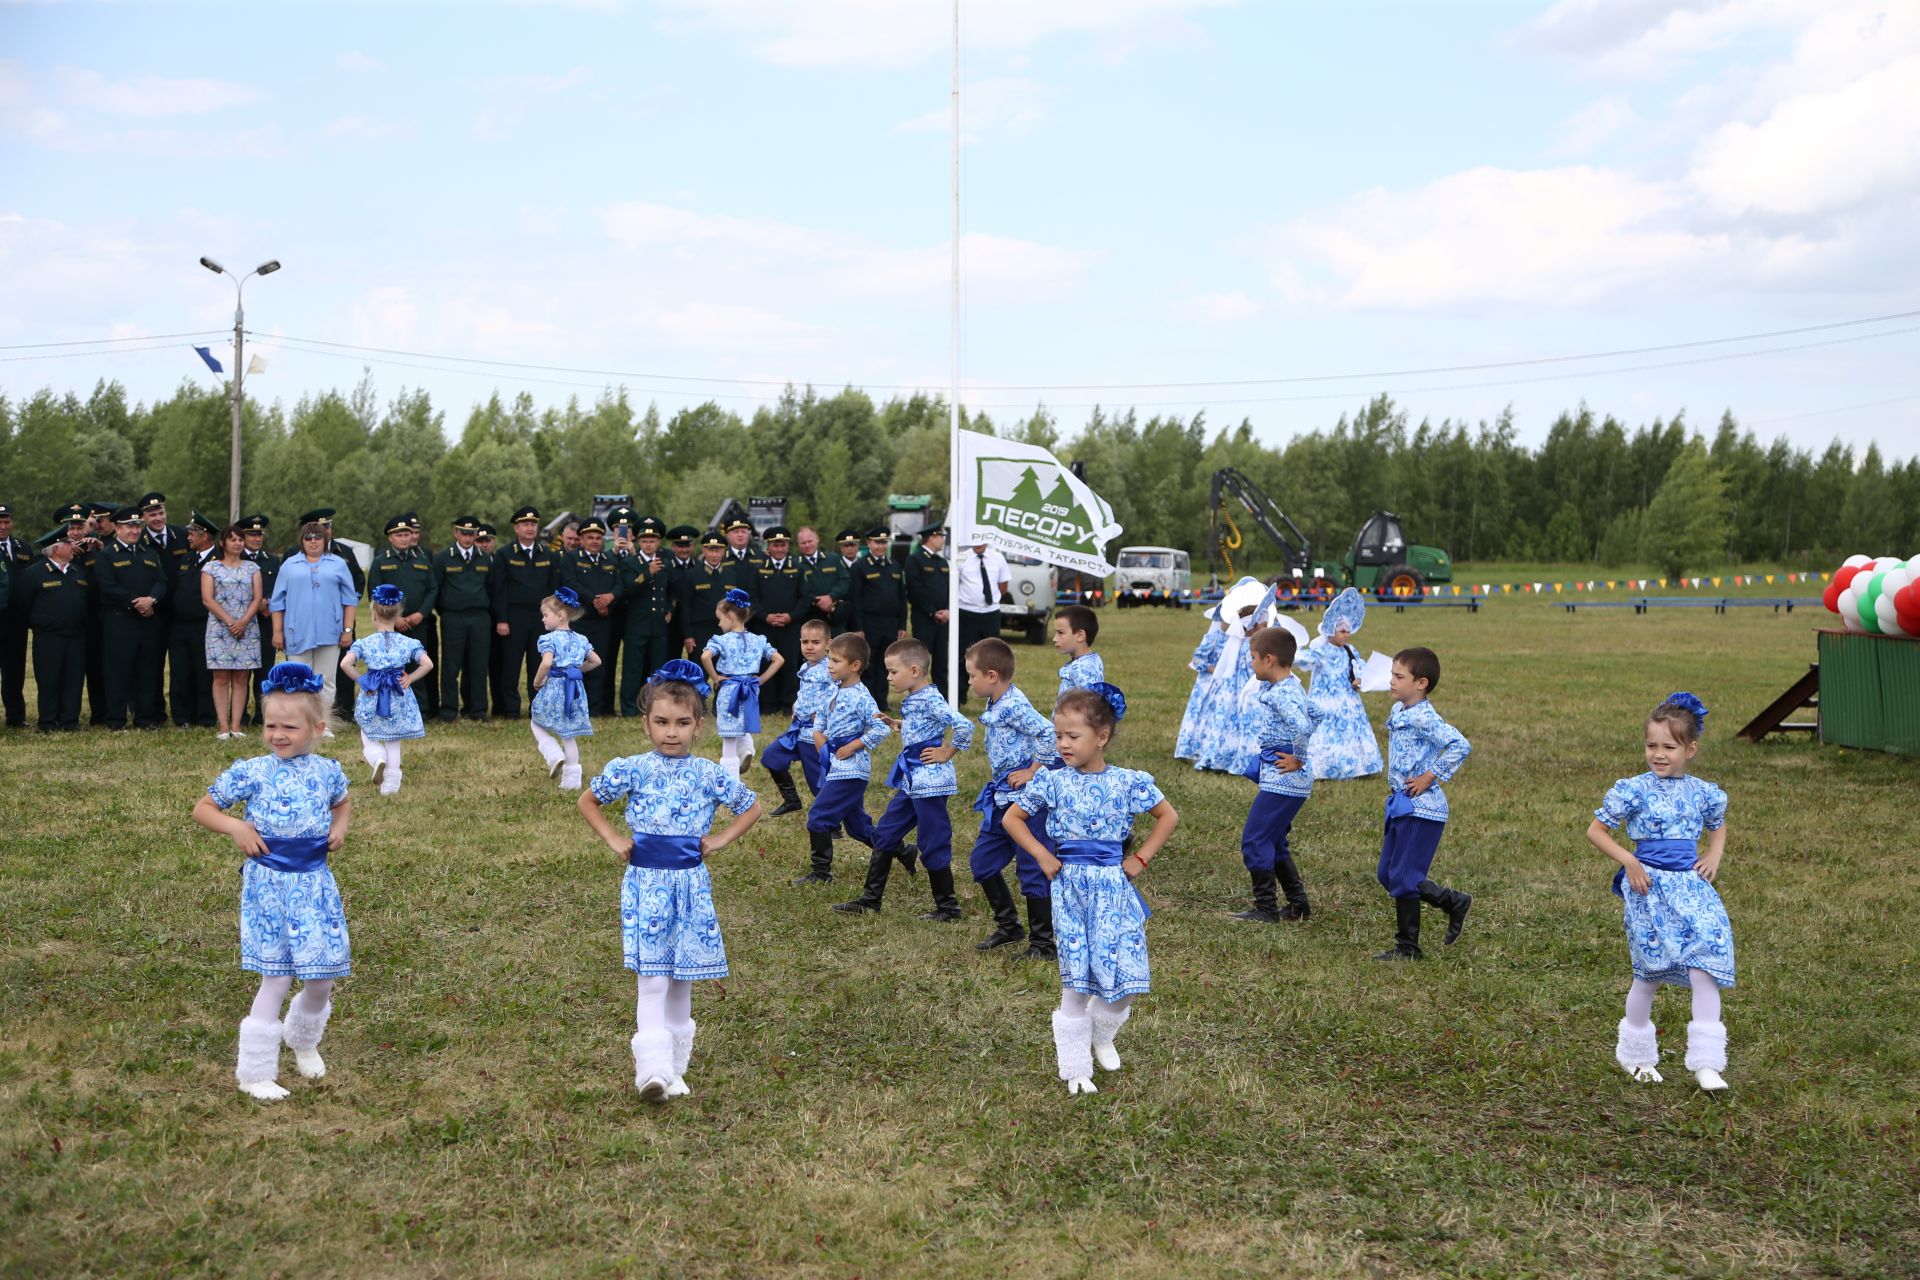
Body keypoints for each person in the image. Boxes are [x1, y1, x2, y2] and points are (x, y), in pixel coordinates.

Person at [575, 661, 762, 1102]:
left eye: (682, 723)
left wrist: (718, 840)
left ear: (699, 726)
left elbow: (751, 808)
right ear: (646, 725)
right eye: (661, 722)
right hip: (647, 887)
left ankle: (675, 1071)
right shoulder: (632, 768)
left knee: (683, 978)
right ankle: (651, 1070)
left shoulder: (710, 774)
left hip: (691, 887)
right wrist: (614, 838)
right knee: (653, 978)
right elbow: (589, 801)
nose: (671, 732)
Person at [1003, 684, 1179, 1095]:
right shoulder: (1052, 782)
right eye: (1058, 735)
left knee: (1127, 979)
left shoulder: (1128, 781)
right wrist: (1043, 857)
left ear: (1101, 737)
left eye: (1073, 736)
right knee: (1076, 980)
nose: (1063, 744)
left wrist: (1140, 858)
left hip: (1114, 888)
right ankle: (1075, 1066)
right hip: (1071, 890)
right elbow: (1013, 818)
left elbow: (1166, 816)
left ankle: (1102, 1033)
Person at [191, 662, 353, 1101]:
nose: (278, 734)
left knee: (321, 978)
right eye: (270, 725)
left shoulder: (327, 771)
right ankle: (255, 1071)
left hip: (314, 887)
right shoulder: (253, 771)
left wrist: (340, 827)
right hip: (269, 889)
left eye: (290, 727)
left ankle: (303, 1040)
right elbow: (203, 809)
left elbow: (342, 803)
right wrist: (237, 828)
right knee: (277, 978)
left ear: (317, 728)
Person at [1586, 693, 1734, 1092]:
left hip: (1690, 886)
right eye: (1652, 745)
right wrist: (1630, 862)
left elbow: (1716, 823)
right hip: (1648, 887)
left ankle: (1707, 1063)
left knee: (1706, 967)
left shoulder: (1703, 792)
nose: (1659, 754)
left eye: (1669, 747)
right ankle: (1635, 1054)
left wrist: (1714, 853)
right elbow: (1596, 831)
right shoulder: (1632, 790)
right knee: (1648, 974)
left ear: (1690, 749)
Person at [833, 637, 974, 920]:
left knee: (933, 840)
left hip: (930, 784)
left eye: (893, 671)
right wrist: (898, 724)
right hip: (912, 781)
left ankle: (948, 907)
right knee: (885, 832)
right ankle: (871, 899)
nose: (888, 677)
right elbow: (924, 725)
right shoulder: (917, 698)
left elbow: (964, 725)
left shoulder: (931, 698)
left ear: (914, 671)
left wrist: (947, 752)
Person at [963, 636, 1061, 958]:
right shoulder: (996, 702)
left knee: (1033, 866)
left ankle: (1043, 944)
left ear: (991, 676)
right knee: (982, 861)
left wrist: (1033, 769)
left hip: (1027, 798)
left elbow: (1048, 733)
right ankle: (1009, 926)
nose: (969, 681)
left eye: (971, 675)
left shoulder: (1015, 705)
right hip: (1001, 796)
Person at [1375, 646, 1473, 961]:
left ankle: (1408, 948)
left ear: (1421, 683)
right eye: (1392, 674)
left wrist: (1430, 776)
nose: (1391, 681)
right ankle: (1452, 902)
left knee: (1404, 877)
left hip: (1423, 808)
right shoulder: (1399, 711)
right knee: (1387, 874)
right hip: (1401, 804)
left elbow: (1460, 745)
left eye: (1398, 676)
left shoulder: (1425, 717)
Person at [1236, 626, 1316, 923]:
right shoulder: (1292, 685)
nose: (1251, 663)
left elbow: (1304, 725)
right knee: (1273, 839)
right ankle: (1298, 905)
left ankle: (1266, 908)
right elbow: (1316, 712)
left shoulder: (1282, 694)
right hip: (1287, 779)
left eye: (1253, 658)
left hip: (1285, 779)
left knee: (1255, 839)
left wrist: (1298, 758)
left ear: (1268, 659)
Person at [797, 632, 890, 885]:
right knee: (858, 827)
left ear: (855, 665)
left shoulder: (861, 696)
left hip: (852, 770)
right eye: (829, 659)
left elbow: (881, 727)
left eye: (836, 661)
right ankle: (900, 850)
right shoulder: (833, 691)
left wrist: (853, 746)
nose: (829, 665)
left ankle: (821, 873)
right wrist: (818, 736)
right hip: (835, 765)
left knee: (818, 817)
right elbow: (821, 720)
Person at [340, 584, 432, 797]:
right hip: (398, 694)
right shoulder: (409, 642)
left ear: (373, 614)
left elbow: (346, 664)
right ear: (398, 613)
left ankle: (376, 755)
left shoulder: (364, 643)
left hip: (374, 693)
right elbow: (427, 664)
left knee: (368, 732)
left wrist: (362, 681)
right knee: (394, 740)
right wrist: (410, 677)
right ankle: (391, 785)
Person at [269, 521, 359, 721]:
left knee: (326, 679)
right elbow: (277, 602)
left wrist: (347, 629)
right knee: (298, 678)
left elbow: (350, 599)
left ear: (325, 539)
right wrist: (277, 632)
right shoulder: (289, 565)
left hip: (331, 631)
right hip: (296, 631)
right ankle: (301, 721)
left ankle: (322, 722)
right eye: (308, 537)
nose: (313, 541)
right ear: (301, 541)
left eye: (317, 537)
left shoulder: (338, 564)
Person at [93, 505, 171, 729]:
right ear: (117, 528)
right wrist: (136, 603)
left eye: (137, 526)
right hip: (120, 621)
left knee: (147, 671)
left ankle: (144, 718)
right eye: (129, 526)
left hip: (147, 621)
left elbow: (162, 581)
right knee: (118, 671)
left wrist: (152, 600)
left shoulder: (149, 553)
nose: (135, 531)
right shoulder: (107, 555)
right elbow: (108, 587)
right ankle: (116, 719)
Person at [1294, 587, 1384, 780]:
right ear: (1330, 630)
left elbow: (1359, 666)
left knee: (1350, 732)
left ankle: (1354, 766)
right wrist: (1286, 652)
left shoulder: (1350, 650)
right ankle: (1321, 767)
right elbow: (1303, 657)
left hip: (1348, 702)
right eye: (1342, 631)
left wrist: (1360, 679)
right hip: (1324, 701)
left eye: (1348, 632)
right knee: (1324, 734)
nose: (1346, 635)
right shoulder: (1322, 650)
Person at [701, 588, 782, 783]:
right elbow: (778, 659)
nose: (719, 623)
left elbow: (705, 656)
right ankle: (746, 748)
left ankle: (731, 782)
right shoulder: (758, 640)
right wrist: (761, 679)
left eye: (720, 618)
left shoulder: (721, 640)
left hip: (730, 690)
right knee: (744, 723)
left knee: (728, 739)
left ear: (730, 616)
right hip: (751, 689)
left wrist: (715, 676)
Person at [365, 513, 439, 722]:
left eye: (407, 534)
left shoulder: (422, 560)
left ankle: (420, 711)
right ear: (390, 538)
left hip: (417, 623)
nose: (404, 538)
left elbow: (432, 589)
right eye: (399, 535)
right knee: (391, 668)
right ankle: (390, 709)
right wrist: (394, 619)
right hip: (391, 625)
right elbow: (374, 592)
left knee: (417, 667)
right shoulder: (381, 561)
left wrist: (421, 613)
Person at [760, 619, 833, 816]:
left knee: (817, 780)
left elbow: (839, 695)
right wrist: (796, 705)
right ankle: (791, 799)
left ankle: (832, 821)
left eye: (815, 642)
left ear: (828, 644)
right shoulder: (806, 667)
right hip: (797, 729)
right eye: (805, 641)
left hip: (814, 734)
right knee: (771, 756)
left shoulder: (831, 670)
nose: (809, 647)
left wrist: (826, 713)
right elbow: (806, 693)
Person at [531, 587, 601, 790]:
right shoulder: (580, 639)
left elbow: (546, 664)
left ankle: (553, 754)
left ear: (560, 616)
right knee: (568, 734)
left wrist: (537, 682)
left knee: (537, 722)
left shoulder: (549, 639)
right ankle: (572, 781)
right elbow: (596, 661)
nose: (543, 619)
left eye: (545, 615)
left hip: (554, 688)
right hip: (575, 690)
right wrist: (576, 671)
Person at [1189, 580, 1262, 775]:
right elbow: (1230, 668)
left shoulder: (1254, 643)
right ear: (1251, 626)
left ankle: (1251, 756)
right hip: (1233, 690)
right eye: (1261, 623)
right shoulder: (1237, 643)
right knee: (1229, 721)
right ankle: (1224, 755)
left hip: (1251, 687)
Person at [491, 505, 556, 718]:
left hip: (541, 618)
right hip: (514, 617)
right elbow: (499, 590)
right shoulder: (504, 554)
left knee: (539, 665)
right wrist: (502, 619)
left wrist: (553, 619)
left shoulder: (547, 553)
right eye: (525, 524)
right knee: (511, 666)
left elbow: (553, 587)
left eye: (533, 524)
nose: (530, 528)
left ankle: (537, 708)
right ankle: (511, 709)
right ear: (516, 528)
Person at [23, 528, 89, 731]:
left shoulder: (77, 571)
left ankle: (70, 720)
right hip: (48, 636)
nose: (73, 546)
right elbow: (23, 605)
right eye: (69, 543)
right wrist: (40, 623)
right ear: (56, 549)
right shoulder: (35, 573)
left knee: (73, 679)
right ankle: (48, 721)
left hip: (76, 635)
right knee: (49, 679)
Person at [203, 522, 264, 740]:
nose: (238, 543)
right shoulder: (211, 568)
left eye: (240, 539)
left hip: (246, 628)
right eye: (233, 539)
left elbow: (257, 598)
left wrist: (243, 621)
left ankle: (236, 725)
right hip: (220, 628)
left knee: (241, 677)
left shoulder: (252, 568)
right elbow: (207, 599)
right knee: (220, 677)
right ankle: (223, 726)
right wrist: (230, 621)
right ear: (223, 543)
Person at [558, 517, 621, 718]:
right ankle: (575, 708)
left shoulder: (610, 559)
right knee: (577, 665)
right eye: (589, 537)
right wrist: (594, 600)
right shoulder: (571, 558)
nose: (594, 541)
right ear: (582, 539)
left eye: (598, 537)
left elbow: (619, 584)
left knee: (599, 664)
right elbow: (570, 583)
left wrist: (610, 597)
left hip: (604, 621)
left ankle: (595, 709)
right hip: (580, 620)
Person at [432, 515, 493, 722]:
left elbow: (491, 588)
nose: (468, 538)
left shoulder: (485, 558)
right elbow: (436, 589)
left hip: (479, 617)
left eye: (472, 534)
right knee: (451, 665)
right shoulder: (443, 557)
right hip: (453, 617)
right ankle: (448, 709)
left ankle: (476, 709)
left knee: (478, 664)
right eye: (464, 533)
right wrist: (447, 611)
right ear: (456, 533)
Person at [614, 515, 674, 715]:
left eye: (653, 541)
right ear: (638, 542)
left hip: (658, 625)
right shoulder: (631, 563)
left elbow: (672, 590)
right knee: (632, 669)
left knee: (658, 669)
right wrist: (648, 573)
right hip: (637, 624)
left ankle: (657, 706)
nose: (649, 545)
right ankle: (629, 708)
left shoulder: (666, 562)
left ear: (659, 542)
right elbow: (627, 589)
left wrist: (670, 609)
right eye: (645, 541)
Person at [168, 510, 219, 728]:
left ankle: (206, 716)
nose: (188, 538)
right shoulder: (186, 558)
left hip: (206, 624)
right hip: (180, 625)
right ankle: (182, 716)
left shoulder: (219, 560)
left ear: (205, 536)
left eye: (192, 534)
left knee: (204, 672)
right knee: (180, 672)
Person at [848, 526, 906, 712]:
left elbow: (901, 598)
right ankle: (868, 703)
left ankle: (882, 702)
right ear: (869, 543)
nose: (881, 546)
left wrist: (902, 624)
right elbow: (854, 599)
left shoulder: (894, 565)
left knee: (885, 665)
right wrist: (858, 626)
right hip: (868, 623)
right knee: (868, 665)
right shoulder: (860, 566)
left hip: (890, 623)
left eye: (884, 542)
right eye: (877, 542)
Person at [750, 526, 806, 715]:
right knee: (766, 664)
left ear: (788, 546)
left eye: (783, 544)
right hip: (765, 626)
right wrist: (766, 616)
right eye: (776, 545)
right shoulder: (758, 569)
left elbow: (804, 598)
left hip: (790, 627)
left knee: (790, 665)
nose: (780, 548)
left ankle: (788, 704)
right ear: (769, 546)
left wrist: (791, 616)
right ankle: (768, 705)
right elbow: (753, 598)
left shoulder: (797, 568)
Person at [956, 539, 1012, 700]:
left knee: (993, 656)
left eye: (981, 539)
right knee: (964, 656)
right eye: (974, 539)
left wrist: (991, 600)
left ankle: (995, 695)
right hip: (967, 613)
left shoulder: (998, 558)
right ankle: (960, 695)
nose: (978, 543)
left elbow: (1003, 585)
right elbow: (954, 584)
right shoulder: (961, 558)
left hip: (990, 613)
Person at [0, 503, 38, 728]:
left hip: (16, 619)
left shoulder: (22, 547)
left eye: (7, 522)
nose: (3, 526)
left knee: (15, 669)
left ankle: (15, 716)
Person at [241, 514, 280, 723]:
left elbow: (280, 589)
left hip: (266, 622)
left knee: (265, 670)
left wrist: (269, 603)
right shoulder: (237, 559)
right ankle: (240, 714)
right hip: (245, 622)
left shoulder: (271, 560)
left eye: (259, 535)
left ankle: (262, 714)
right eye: (251, 534)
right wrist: (256, 605)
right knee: (242, 673)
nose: (256, 539)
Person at [1173, 613, 1228, 760]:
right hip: (1208, 684)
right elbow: (1197, 659)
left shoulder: (1239, 641)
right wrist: (1215, 670)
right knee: (1203, 713)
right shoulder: (1214, 637)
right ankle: (1194, 747)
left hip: (1226, 684)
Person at [905, 524, 951, 698]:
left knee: (941, 661)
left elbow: (949, 588)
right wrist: (933, 612)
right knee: (921, 660)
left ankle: (942, 697)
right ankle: (918, 696)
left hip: (944, 619)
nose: (943, 540)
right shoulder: (915, 560)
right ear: (931, 537)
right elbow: (916, 590)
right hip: (925, 618)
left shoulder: (942, 562)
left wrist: (947, 610)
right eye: (941, 537)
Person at [680, 531, 731, 658]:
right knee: (699, 674)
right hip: (700, 633)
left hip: (725, 633)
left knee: (724, 675)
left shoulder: (732, 574)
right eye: (710, 550)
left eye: (718, 551)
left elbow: (738, 607)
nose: (714, 555)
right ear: (704, 550)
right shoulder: (692, 574)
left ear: (724, 551)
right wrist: (688, 636)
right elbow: (685, 607)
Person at [802, 529, 857, 636]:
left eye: (810, 541)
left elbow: (845, 580)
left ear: (817, 540)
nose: (807, 545)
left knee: (838, 651)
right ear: (798, 544)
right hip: (811, 619)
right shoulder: (796, 564)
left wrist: (831, 597)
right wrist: (816, 600)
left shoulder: (833, 559)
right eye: (803, 542)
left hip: (836, 617)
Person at [661, 525, 700, 662]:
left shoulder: (699, 567)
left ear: (693, 546)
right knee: (670, 660)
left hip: (693, 622)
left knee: (696, 663)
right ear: (673, 547)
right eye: (680, 546)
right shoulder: (665, 567)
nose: (684, 550)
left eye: (687, 545)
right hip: (671, 623)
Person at [1052, 604, 1104, 701]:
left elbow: (1091, 706)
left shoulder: (1082, 669)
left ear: (1080, 635)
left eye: (1061, 633)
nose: (1054, 639)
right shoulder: (1093, 660)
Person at [720, 516, 760, 592]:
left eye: (743, 531)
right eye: (736, 532)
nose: (740, 535)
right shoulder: (720, 557)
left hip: (754, 602)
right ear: (728, 535)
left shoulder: (761, 557)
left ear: (748, 534)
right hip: (729, 602)